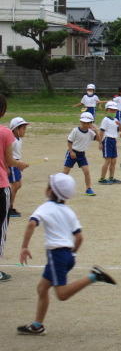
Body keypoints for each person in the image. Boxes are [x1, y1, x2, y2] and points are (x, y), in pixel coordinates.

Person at [16, 173, 116, 336]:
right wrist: (71, 255)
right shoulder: (69, 211)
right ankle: (37, 325)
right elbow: (79, 237)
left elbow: (31, 224)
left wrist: (24, 247)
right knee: (42, 288)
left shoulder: (45, 207)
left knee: (61, 294)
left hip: (56, 256)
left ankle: (94, 276)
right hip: (68, 255)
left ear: (50, 191)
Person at [0, 94, 29, 282]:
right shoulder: (5, 133)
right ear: (3, 111)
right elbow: (10, 160)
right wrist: (20, 165)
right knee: (0, 228)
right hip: (0, 185)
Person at [63, 112, 98, 196]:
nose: (86, 124)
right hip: (72, 153)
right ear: (81, 122)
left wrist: (96, 130)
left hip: (81, 155)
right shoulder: (75, 130)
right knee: (66, 172)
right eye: (84, 122)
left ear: (91, 123)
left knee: (86, 171)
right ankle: (59, 187)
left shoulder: (90, 132)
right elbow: (69, 141)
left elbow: (99, 139)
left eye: (88, 123)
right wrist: (71, 152)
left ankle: (88, 189)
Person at [8, 117, 30, 217]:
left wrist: (20, 164)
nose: (25, 131)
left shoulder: (19, 139)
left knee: (18, 185)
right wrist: (9, 166)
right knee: (16, 185)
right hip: (12, 164)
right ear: (16, 129)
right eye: (23, 128)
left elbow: (16, 155)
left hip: (16, 164)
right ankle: (9, 208)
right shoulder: (12, 140)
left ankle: (9, 206)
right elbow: (7, 155)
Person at [97, 101, 121, 185]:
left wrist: (120, 125)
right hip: (107, 140)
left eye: (114, 110)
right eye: (111, 110)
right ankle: (102, 179)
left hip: (113, 140)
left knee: (114, 161)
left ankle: (111, 177)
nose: (113, 112)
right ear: (106, 110)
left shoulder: (116, 120)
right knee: (107, 160)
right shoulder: (105, 120)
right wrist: (100, 142)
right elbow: (101, 132)